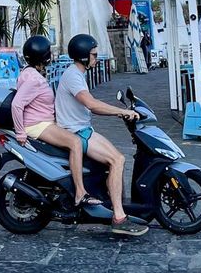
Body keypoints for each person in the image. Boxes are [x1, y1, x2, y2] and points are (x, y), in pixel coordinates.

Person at [55, 34, 148, 237]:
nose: (96, 58)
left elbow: (91, 105)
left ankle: (112, 205)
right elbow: (92, 104)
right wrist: (122, 111)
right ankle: (119, 217)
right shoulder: (73, 76)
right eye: (94, 55)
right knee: (117, 160)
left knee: (113, 161)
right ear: (82, 56)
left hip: (82, 129)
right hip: (77, 132)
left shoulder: (77, 74)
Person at [11, 35, 97, 211]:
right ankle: (80, 193)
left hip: (43, 123)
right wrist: (20, 132)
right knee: (75, 142)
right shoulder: (34, 79)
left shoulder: (28, 72)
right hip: (38, 125)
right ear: (45, 57)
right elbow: (17, 104)